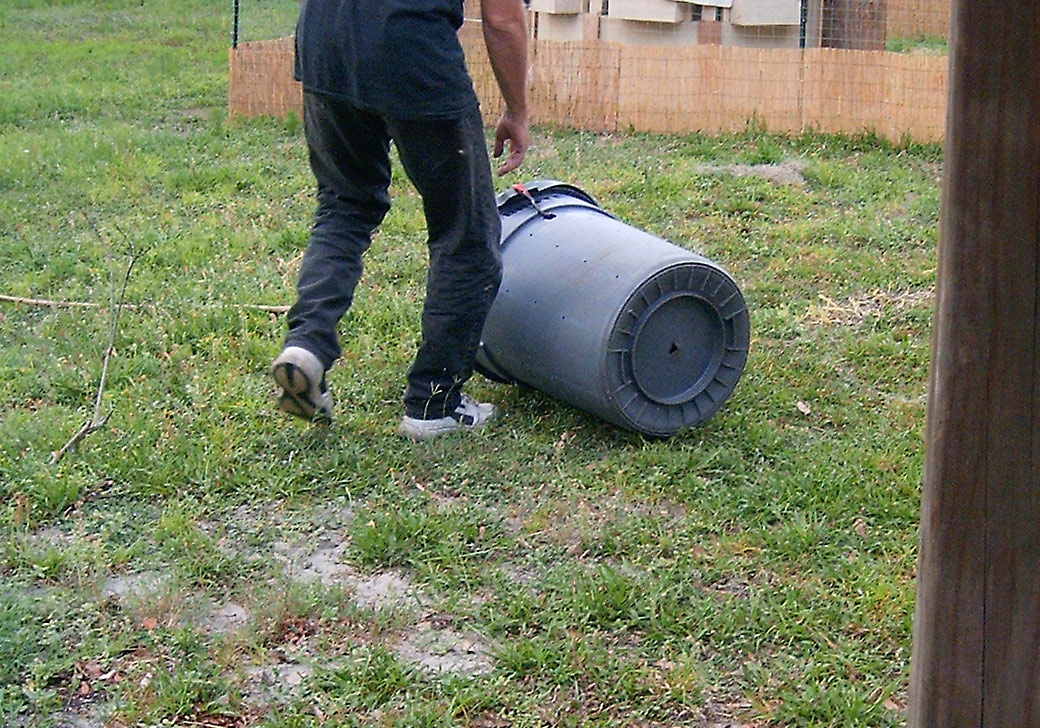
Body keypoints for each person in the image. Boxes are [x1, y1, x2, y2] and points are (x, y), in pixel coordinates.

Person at [271, 0, 530, 440]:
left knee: (344, 204)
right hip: (412, 52)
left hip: (324, 45)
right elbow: (503, 18)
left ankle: (307, 345)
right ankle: (434, 403)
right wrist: (517, 110)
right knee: (465, 235)